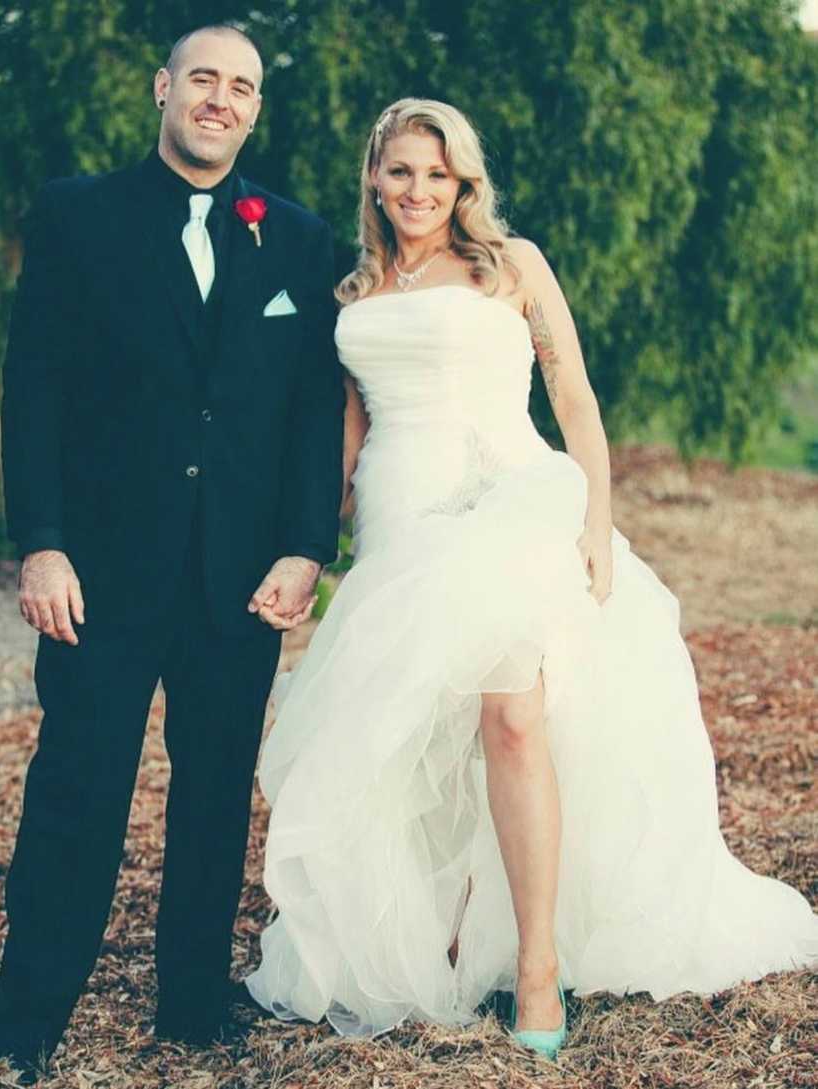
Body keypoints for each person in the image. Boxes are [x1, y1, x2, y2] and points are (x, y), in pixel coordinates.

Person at [244, 98, 818, 1058]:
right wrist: (308, 545)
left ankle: (541, 964)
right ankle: (455, 931)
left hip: (516, 502)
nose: (418, 191)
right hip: (401, 520)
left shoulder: (514, 266)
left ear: (463, 183)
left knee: (513, 714)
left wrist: (596, 521)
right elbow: (348, 437)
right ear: (374, 182)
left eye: (438, 174)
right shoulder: (351, 292)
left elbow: (574, 397)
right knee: (419, 735)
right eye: (399, 173)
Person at [0, 24, 344, 1081]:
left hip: (238, 577)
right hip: (97, 572)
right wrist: (41, 544)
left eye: (241, 86)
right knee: (77, 789)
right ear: (164, 89)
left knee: (216, 792)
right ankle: (24, 1022)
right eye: (204, 79)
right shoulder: (77, 215)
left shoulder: (297, 239)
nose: (220, 99)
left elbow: (309, 410)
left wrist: (305, 547)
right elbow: (34, 384)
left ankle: (191, 1008)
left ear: (254, 109)